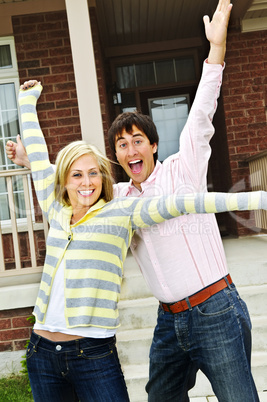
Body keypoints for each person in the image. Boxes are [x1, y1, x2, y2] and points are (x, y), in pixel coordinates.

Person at [5, 1, 260, 401]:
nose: (130, 149)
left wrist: (217, 50)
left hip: (214, 308)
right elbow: (80, 184)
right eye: (121, 145)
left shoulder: (183, 170)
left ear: (154, 145)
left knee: (238, 397)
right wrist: (33, 159)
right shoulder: (118, 198)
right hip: (169, 320)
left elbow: (202, 112)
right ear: (118, 157)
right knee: (160, 397)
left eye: (137, 140)